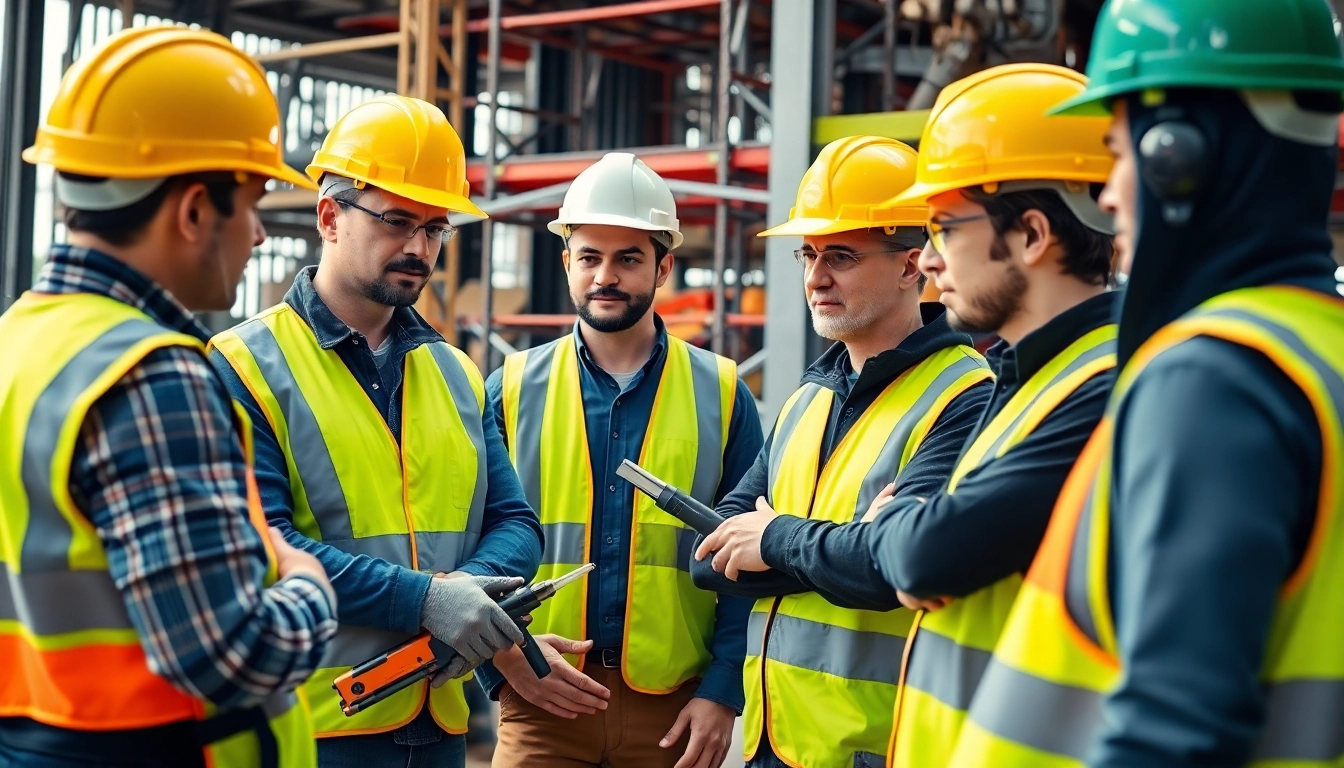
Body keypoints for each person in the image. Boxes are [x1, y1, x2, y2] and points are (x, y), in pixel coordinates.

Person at [950, 1, 1344, 766]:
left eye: (1118, 155)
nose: (1106, 196)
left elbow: (1173, 734)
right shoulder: (1315, 348)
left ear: (1178, 156)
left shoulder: (1213, 379)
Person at [0, 27, 337, 768]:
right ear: (191, 211)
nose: (256, 234)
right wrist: (310, 587)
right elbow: (230, 654)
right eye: (250, 203)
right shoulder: (153, 375)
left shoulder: (16, 344)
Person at [209, 95, 543, 768]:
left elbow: (516, 524)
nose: (419, 248)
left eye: (435, 228)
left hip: (440, 722)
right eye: (398, 222)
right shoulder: (243, 366)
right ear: (329, 217)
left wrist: (464, 601)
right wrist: (428, 601)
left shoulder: (457, 372)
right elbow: (261, 544)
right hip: (314, 727)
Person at [691, 136, 993, 768]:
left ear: (913, 265)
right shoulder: (809, 394)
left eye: (841, 256)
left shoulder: (965, 397)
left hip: (876, 745)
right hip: (772, 742)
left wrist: (773, 540)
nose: (815, 277)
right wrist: (839, 547)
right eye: (807, 254)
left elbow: (888, 571)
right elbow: (709, 557)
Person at [854, 63, 1117, 768]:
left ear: (1032, 234)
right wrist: (913, 533)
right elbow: (928, 545)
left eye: (944, 228)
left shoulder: (1105, 387)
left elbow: (922, 554)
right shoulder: (1025, 372)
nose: (930, 261)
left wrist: (891, 525)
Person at [481, 152, 763, 768]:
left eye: (628, 258)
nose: (605, 276)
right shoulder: (511, 386)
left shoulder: (720, 391)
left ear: (663, 267)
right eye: (589, 257)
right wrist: (500, 668)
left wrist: (723, 689)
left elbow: (748, 553)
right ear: (566, 263)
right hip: (540, 697)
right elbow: (471, 540)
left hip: (673, 709)